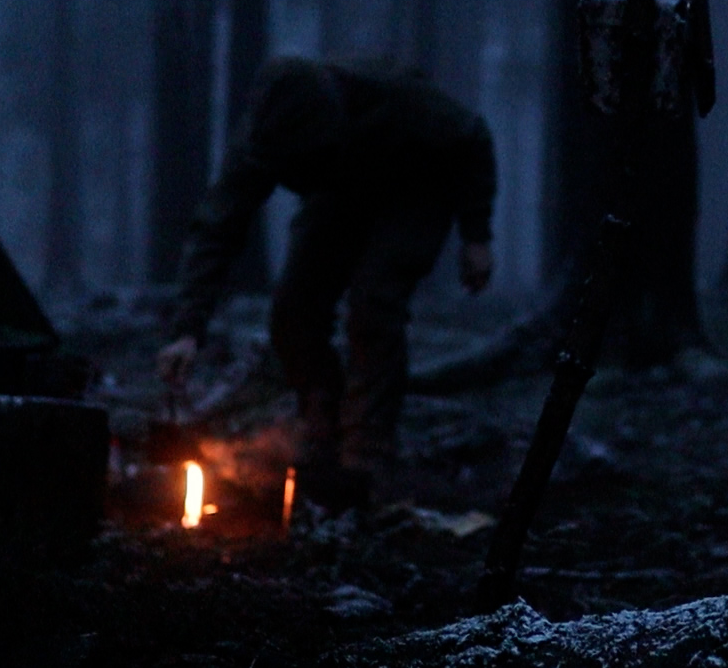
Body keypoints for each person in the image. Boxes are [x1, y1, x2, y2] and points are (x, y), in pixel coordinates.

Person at [158, 56, 496, 506]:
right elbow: (218, 226)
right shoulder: (264, 137)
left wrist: (476, 235)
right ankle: (321, 422)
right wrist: (186, 329)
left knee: (375, 303)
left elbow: (472, 139)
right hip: (336, 193)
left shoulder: (397, 99)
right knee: (294, 307)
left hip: (416, 188)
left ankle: (367, 455)